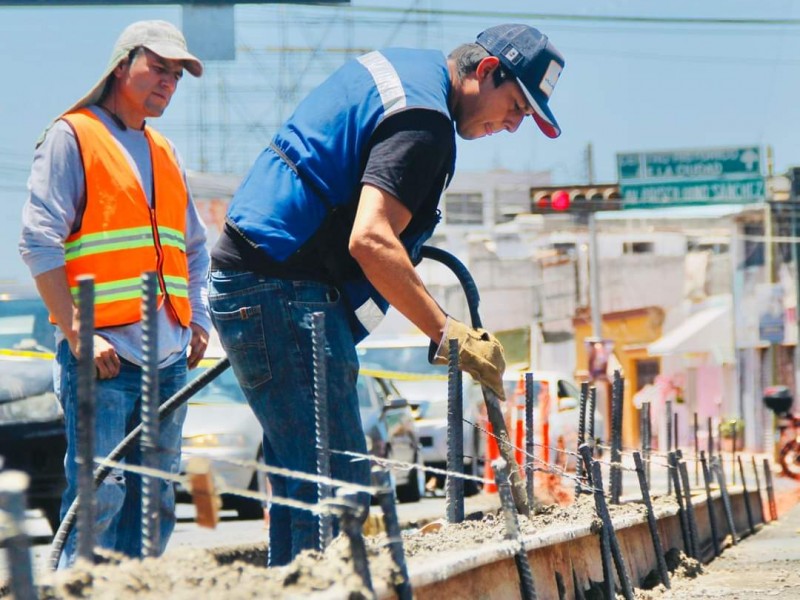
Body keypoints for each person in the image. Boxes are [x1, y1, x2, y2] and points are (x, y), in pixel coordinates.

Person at [208, 23, 565, 566]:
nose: (513, 126)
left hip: (267, 281)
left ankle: (297, 581)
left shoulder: (408, 73)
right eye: (516, 106)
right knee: (337, 483)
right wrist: (449, 334)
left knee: (306, 478)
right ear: (487, 71)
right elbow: (371, 241)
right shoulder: (424, 124)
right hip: (279, 290)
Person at [19, 20, 210, 567]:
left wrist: (196, 319)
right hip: (103, 358)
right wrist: (79, 332)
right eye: (160, 68)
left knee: (155, 503)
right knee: (98, 498)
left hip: (170, 357)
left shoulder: (163, 150)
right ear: (121, 65)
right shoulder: (72, 136)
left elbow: (192, 246)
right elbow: (38, 242)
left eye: (177, 75)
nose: (169, 83)